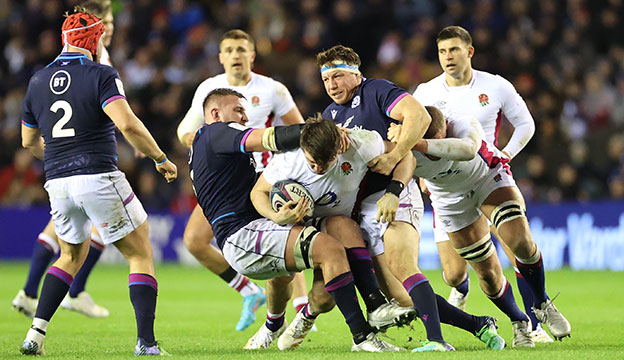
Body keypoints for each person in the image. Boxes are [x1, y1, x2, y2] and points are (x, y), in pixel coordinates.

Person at [189, 88, 413, 352]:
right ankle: (362, 337)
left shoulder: (216, 146)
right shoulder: (215, 133)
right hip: (242, 234)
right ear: (215, 113)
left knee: (341, 231)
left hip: (264, 225)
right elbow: (271, 138)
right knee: (329, 251)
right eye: (238, 110)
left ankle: (275, 325)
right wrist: (323, 130)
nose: (245, 117)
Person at [253, 117, 506, 352]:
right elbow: (258, 193)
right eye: (312, 163)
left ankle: (475, 324)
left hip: (345, 223)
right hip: (305, 225)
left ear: (339, 149)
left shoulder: (361, 142)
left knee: (395, 294)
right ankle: (287, 320)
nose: (318, 168)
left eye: (324, 162)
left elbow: (406, 157)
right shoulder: (288, 161)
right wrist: (277, 216)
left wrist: (394, 192)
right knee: (314, 293)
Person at [19, 9, 177, 355]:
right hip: (98, 174)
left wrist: (62, 157)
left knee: (70, 256)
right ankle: (146, 344)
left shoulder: (37, 80)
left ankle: (35, 335)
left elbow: (28, 142)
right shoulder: (101, 73)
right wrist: (160, 159)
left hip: (58, 181)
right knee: (140, 253)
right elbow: (128, 124)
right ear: (96, 39)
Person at [412, 25, 552, 342]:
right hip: (447, 189)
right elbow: (412, 136)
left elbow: (526, 124)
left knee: (517, 244)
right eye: (442, 51)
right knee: (454, 273)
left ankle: (533, 323)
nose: (447, 57)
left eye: (454, 50)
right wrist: (420, 173)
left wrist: (507, 153)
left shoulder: (496, 86)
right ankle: (462, 288)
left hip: (486, 175)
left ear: (469, 51)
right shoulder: (425, 92)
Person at [389, 105, 571, 347]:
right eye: (432, 139)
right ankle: (519, 321)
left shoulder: (463, 122)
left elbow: (466, 150)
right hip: (450, 199)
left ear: (446, 128)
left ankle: (541, 302)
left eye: (440, 136)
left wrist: (416, 142)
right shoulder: (400, 145)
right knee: (487, 274)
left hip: (487, 178)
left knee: (520, 241)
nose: (439, 141)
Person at [314, 44, 455, 352]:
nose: (332, 85)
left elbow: (417, 116)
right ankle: (478, 324)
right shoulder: (330, 115)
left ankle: (437, 342)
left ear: (356, 74)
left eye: (338, 76)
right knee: (401, 297)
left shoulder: (376, 91)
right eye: (326, 80)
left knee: (403, 266)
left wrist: (396, 157)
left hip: (397, 189)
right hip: (362, 206)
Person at [175, 29, 309, 331]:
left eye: (241, 49)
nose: (236, 55)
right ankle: (249, 291)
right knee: (194, 241)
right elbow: (185, 131)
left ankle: (301, 311)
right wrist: (208, 144)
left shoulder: (273, 89)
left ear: (252, 55)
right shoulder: (209, 89)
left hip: (267, 179)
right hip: (228, 181)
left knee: (286, 232)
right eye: (230, 50)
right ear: (221, 57)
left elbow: (298, 129)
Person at [12, 0, 115, 320]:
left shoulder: (52, 69)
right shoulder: (97, 60)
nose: (111, 27)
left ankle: (30, 293)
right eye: (107, 21)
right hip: (88, 158)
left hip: (60, 160)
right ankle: (75, 291)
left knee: (60, 227)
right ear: (94, 26)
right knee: (105, 225)